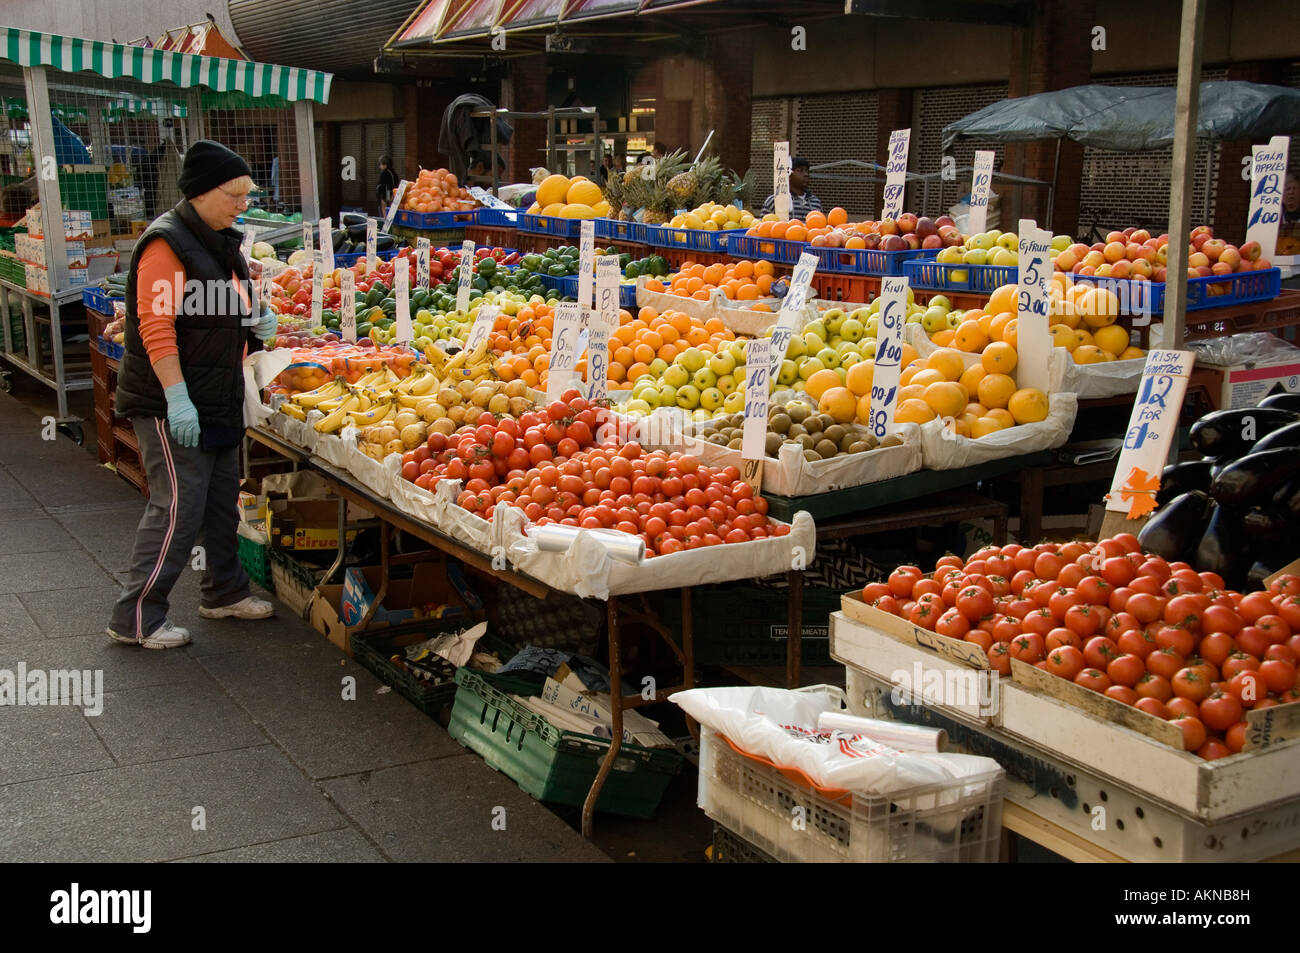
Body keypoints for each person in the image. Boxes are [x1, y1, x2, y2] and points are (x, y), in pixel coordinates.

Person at [108, 140, 278, 649]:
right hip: (169, 401)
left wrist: (254, 321)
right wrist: (177, 397)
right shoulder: (167, 244)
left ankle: (223, 591)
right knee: (178, 506)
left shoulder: (221, 238)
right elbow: (156, 328)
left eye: (249, 193)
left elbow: (227, 304)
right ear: (203, 193)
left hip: (218, 394)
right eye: (236, 194)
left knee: (222, 499)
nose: (244, 203)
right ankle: (136, 616)